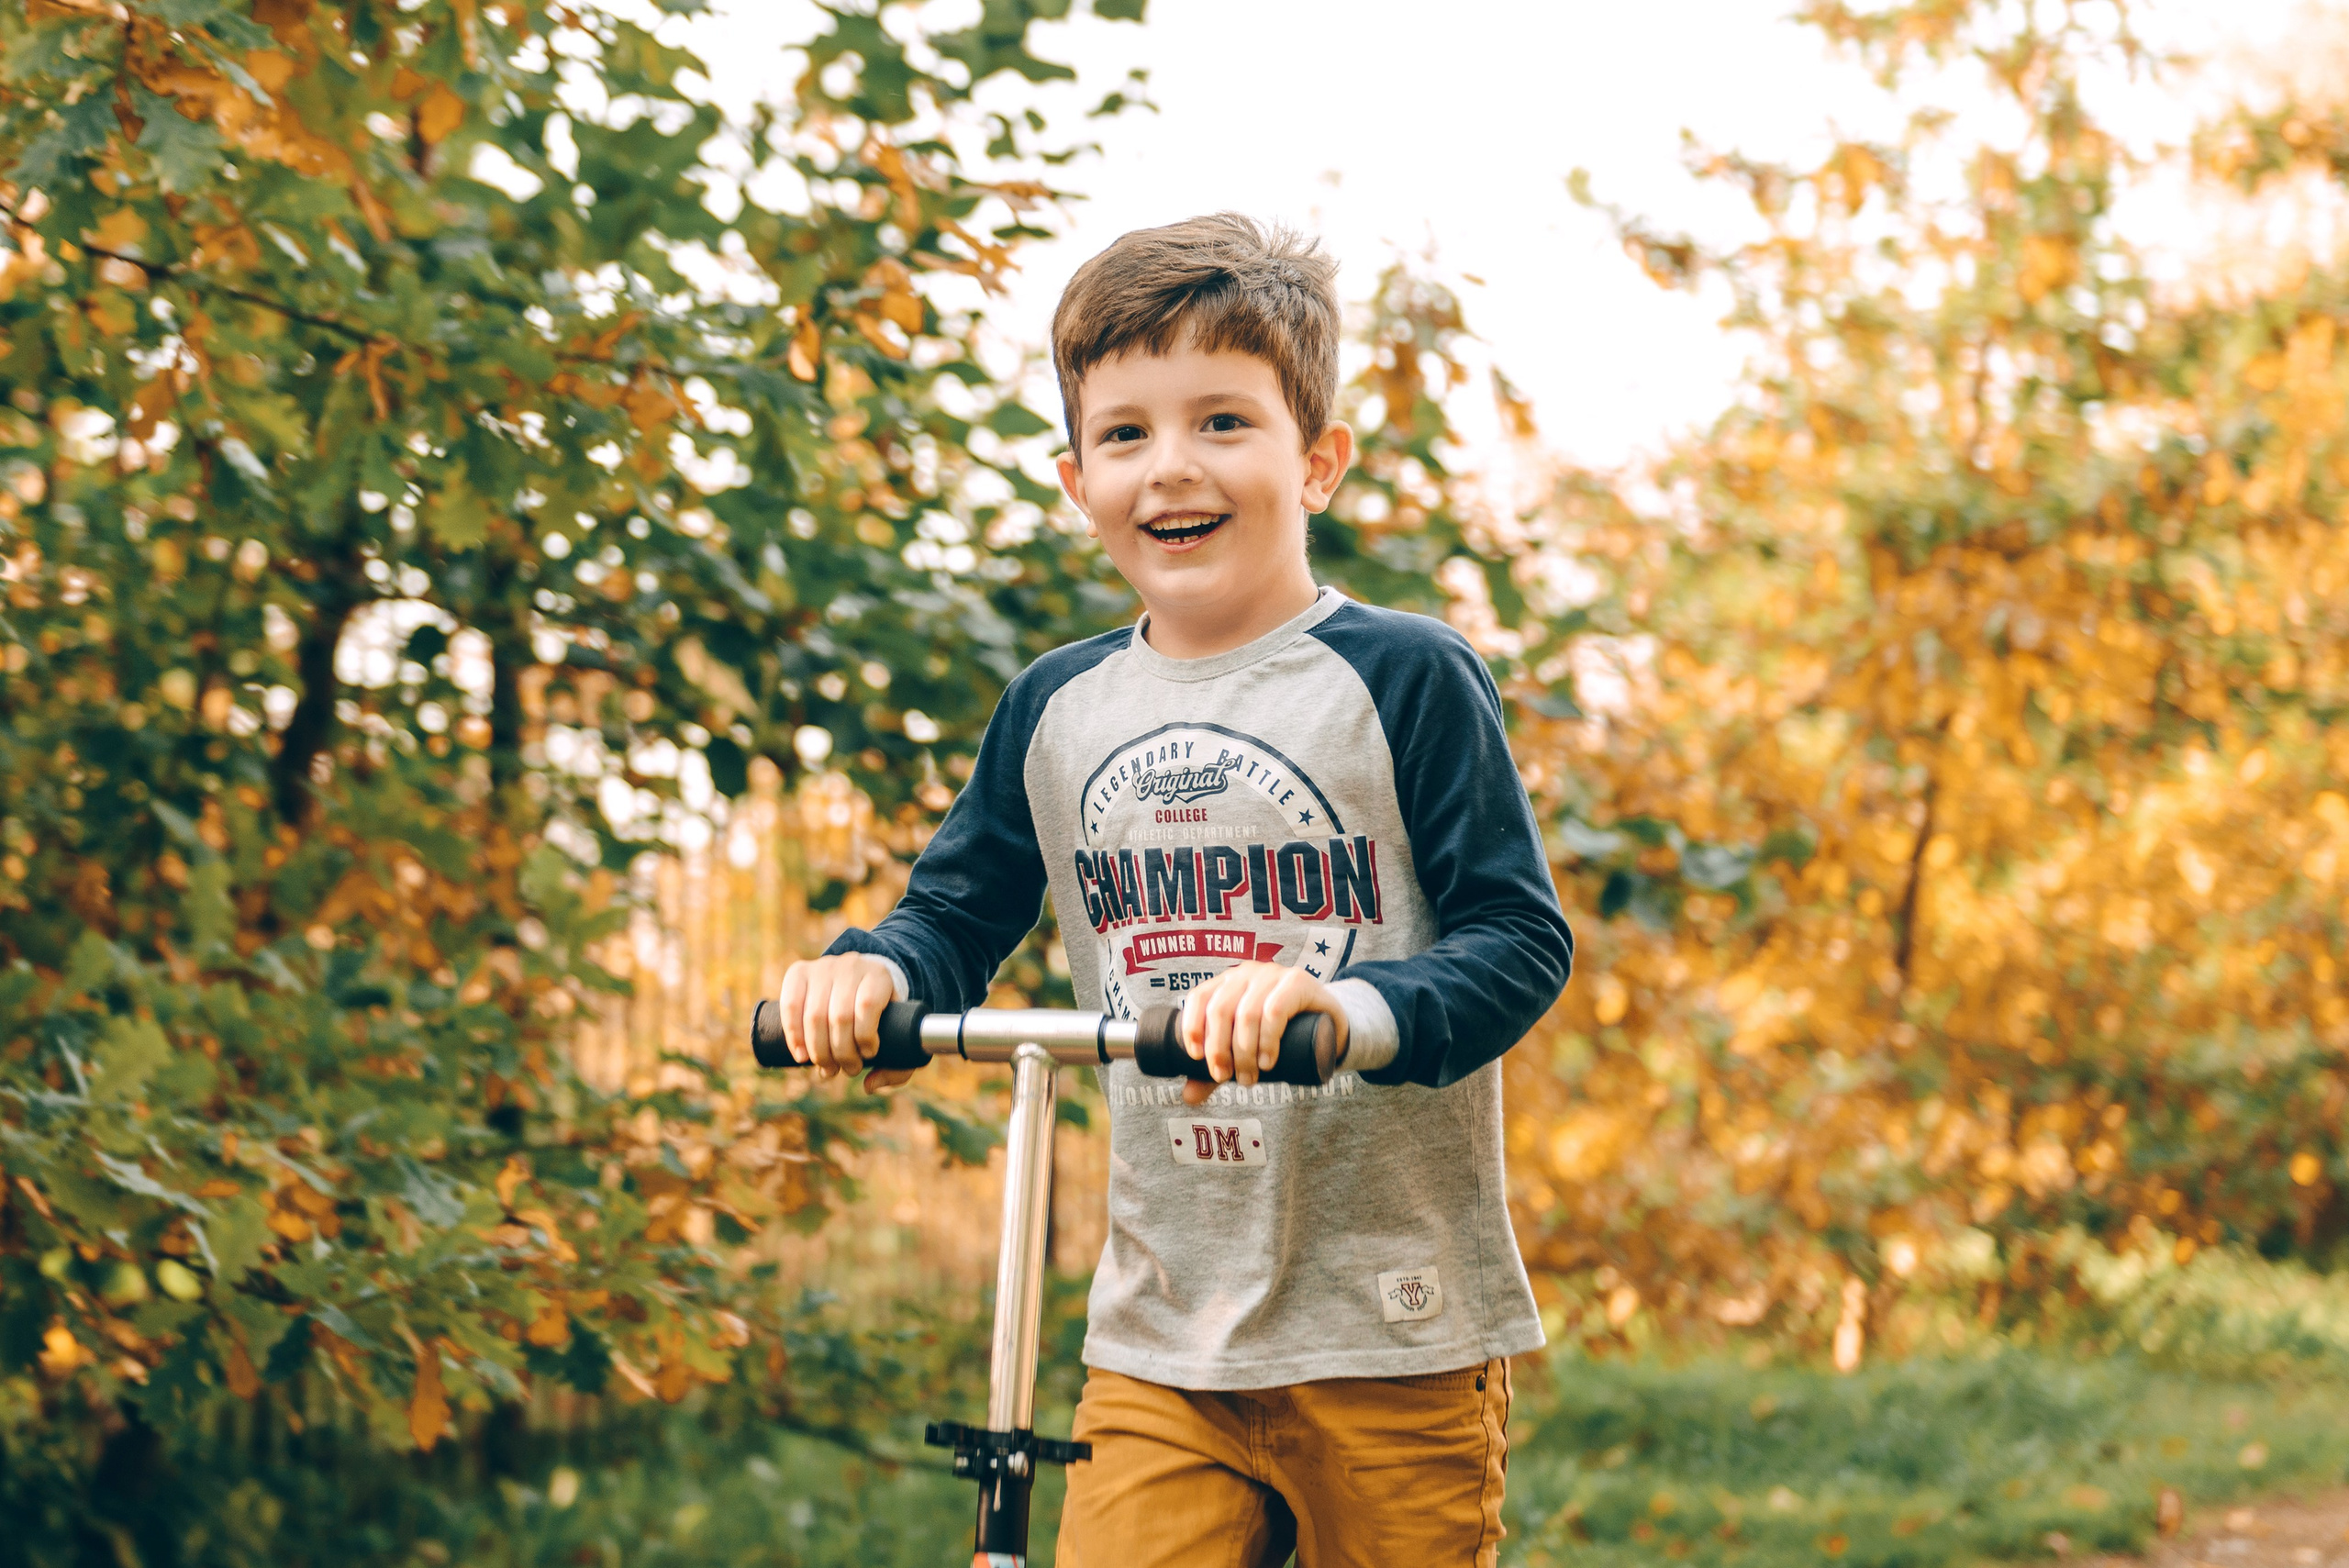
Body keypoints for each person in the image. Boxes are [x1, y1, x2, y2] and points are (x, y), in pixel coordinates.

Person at [775, 213, 1573, 1566]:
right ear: (1076, 478)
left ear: (1317, 460)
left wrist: (1346, 1008)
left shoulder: (1407, 678)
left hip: (1392, 1329)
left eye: (1223, 421)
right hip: (1160, 1342)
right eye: (1127, 433)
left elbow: (1517, 940)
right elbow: (954, 915)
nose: (1173, 466)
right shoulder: (1056, 707)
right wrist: (879, 971)